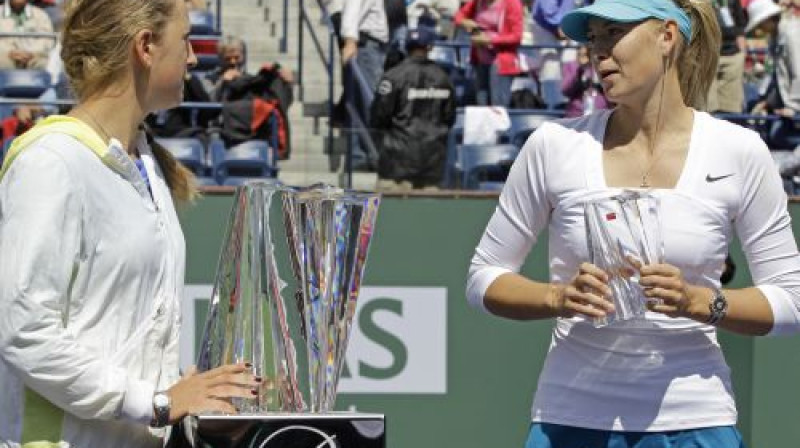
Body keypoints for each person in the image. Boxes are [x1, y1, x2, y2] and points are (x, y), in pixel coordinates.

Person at [466, 0, 800, 447]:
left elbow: (791, 302)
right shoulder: (553, 145)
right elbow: (482, 280)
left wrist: (700, 302)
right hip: (569, 418)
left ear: (667, 36)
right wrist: (558, 296)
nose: (597, 50)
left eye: (613, 32)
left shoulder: (740, 150)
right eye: (593, 38)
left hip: (697, 422)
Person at [0, 1, 261, 447]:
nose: (194, 58)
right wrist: (158, 401)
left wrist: (194, 401)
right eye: (184, 41)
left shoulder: (147, 163)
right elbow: (24, 331)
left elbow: (118, 341)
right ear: (145, 46)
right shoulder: (51, 161)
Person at [370, 26, 456, 191]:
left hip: (395, 167)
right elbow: (449, 118)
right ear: (430, 47)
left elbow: (378, 116)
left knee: (390, 215)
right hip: (432, 167)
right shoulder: (443, 78)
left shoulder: (392, 76)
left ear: (406, 47)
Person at [454, 0, 524, 107]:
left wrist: (490, 40)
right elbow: (458, 16)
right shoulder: (476, 2)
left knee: (498, 106)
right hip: (479, 59)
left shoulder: (512, 3)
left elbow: (516, 36)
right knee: (481, 104)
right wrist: (465, 22)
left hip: (501, 62)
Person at [707, 0, 748, 113]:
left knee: (731, 108)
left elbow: (740, 23)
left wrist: (742, 53)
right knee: (708, 108)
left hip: (733, 54)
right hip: (707, 55)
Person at [0, 0, 54, 70]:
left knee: (44, 63)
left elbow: (47, 39)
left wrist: (31, 53)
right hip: (5, 56)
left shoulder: (40, 14)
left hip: (33, 56)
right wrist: (9, 52)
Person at [560, 44, 610, 117]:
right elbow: (566, 89)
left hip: (599, 113)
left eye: (586, 55)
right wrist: (579, 70)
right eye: (580, 55)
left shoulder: (599, 66)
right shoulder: (571, 66)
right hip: (577, 112)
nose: (584, 58)